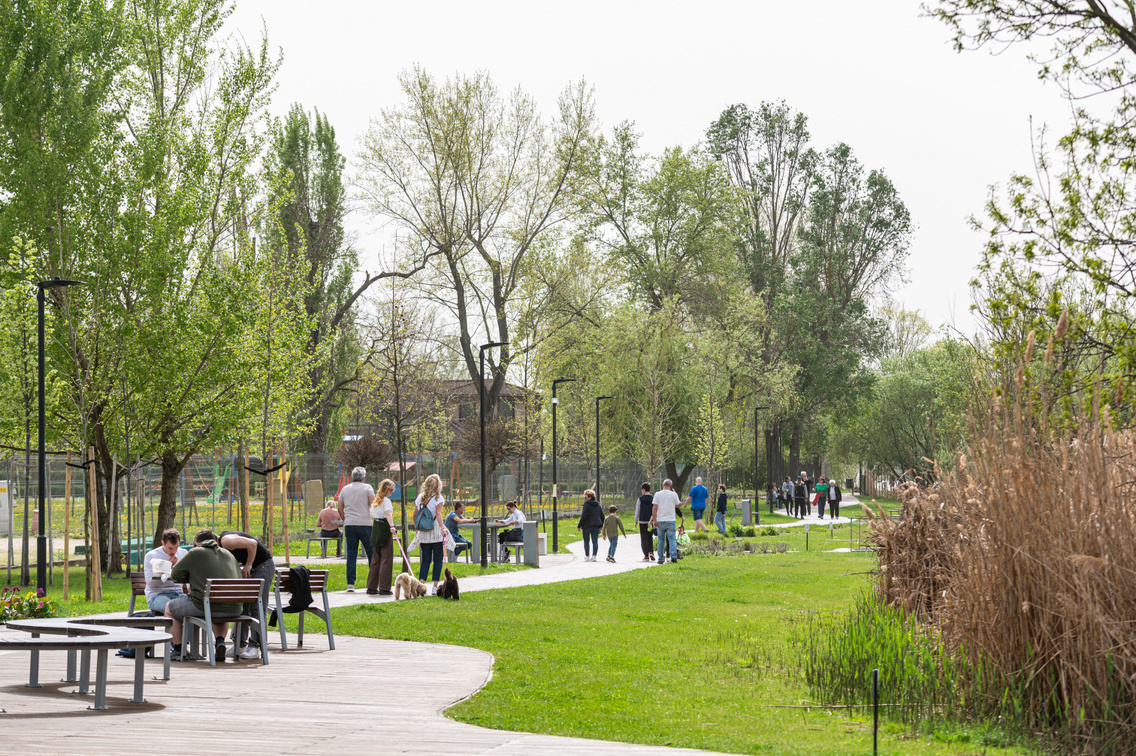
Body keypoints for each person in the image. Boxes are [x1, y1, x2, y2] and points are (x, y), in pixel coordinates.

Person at [166, 529, 242, 662]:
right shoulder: (228, 554)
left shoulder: (196, 552)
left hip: (204, 605)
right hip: (233, 608)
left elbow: (175, 574)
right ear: (216, 540)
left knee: (169, 609)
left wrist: (192, 577)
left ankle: (178, 650)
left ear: (196, 543)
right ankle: (220, 641)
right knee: (220, 605)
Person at [218, 529, 275, 661]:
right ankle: (239, 644)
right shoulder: (223, 543)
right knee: (243, 605)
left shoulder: (225, 541)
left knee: (257, 606)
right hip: (253, 569)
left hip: (262, 566)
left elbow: (252, 543)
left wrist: (248, 565)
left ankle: (255, 646)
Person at [337, 466, 375, 593]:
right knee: (371, 552)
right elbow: (373, 504)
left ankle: (350, 584)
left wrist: (345, 519)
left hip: (350, 525)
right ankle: (373, 582)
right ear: (364, 478)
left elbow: (340, 508)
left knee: (351, 554)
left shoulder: (345, 489)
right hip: (365, 524)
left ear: (352, 477)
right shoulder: (368, 488)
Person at [413, 473, 446, 595]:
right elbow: (438, 514)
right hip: (436, 532)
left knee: (425, 560)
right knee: (438, 560)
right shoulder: (438, 498)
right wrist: (443, 528)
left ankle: (421, 585)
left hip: (424, 533)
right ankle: (434, 587)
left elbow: (415, 515)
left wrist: (418, 530)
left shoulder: (420, 498)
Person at [143, 528, 187, 614]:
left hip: (178, 592)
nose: (174, 551)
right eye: (170, 548)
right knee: (171, 608)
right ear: (163, 543)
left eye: (176, 547)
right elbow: (151, 584)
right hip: (157, 594)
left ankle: (186, 628)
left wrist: (189, 589)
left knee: (191, 610)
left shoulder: (183, 553)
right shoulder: (152, 556)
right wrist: (167, 567)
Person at [366, 479, 397, 596]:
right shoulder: (386, 501)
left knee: (376, 559)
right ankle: (384, 588)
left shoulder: (375, 502)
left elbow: (374, 517)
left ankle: (371, 587)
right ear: (387, 489)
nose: (392, 492)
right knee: (386, 559)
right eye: (391, 490)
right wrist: (392, 526)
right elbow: (388, 514)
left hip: (376, 529)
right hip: (384, 528)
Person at [650, 478, 681, 564]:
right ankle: (673, 556)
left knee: (661, 540)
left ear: (663, 485)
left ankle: (660, 558)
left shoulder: (657, 494)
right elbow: (678, 505)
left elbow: (654, 508)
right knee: (672, 539)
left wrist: (654, 519)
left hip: (660, 520)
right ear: (671, 486)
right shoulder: (673, 494)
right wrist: (675, 493)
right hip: (671, 520)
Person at [577, 489, 604, 562]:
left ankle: (587, 556)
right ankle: (594, 556)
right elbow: (602, 515)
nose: (585, 499)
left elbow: (584, 516)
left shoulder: (586, 504)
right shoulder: (598, 504)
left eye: (585, 497)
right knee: (595, 541)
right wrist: (602, 524)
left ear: (589, 497)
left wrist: (579, 525)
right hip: (596, 525)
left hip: (587, 526)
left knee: (586, 541)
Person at [635, 483, 655, 562]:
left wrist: (636, 520)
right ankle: (651, 552)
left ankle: (646, 555)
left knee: (643, 538)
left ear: (643, 489)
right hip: (651, 521)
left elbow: (637, 510)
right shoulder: (653, 498)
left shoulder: (640, 499)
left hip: (643, 521)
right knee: (650, 537)